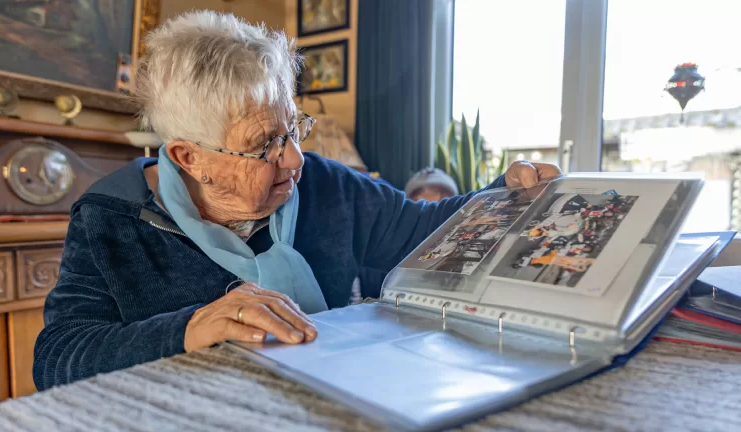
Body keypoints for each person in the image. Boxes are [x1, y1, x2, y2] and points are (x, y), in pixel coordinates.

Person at [32, 11, 560, 390]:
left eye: (294, 130)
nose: (294, 161)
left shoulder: (330, 186)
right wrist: (190, 328)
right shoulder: (113, 218)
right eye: (264, 145)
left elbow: (427, 229)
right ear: (189, 158)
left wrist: (504, 196)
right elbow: (59, 357)